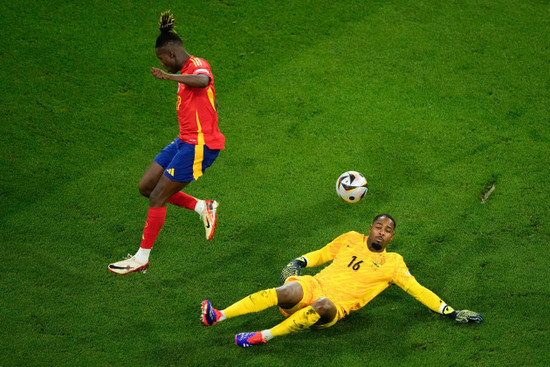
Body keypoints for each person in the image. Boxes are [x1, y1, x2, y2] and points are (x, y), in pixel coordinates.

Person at [201, 214, 483, 347]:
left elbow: (419, 290)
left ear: (392, 238)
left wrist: (450, 311)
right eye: (379, 227)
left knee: (323, 304)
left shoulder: (394, 264)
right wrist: (299, 261)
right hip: (315, 285)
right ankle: (219, 315)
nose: (382, 233)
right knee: (287, 289)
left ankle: (262, 336)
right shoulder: (349, 239)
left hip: (333, 306)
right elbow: (322, 254)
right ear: (370, 228)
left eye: (388, 231)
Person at [108, 11, 225, 275]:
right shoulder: (185, 70)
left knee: (159, 197)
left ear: (170, 54)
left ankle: (141, 258)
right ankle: (201, 206)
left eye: (162, 59)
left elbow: (204, 80)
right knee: (147, 186)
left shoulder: (196, 65)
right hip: (183, 141)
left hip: (201, 146)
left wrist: (168, 77)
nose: (162, 63)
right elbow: (207, 93)